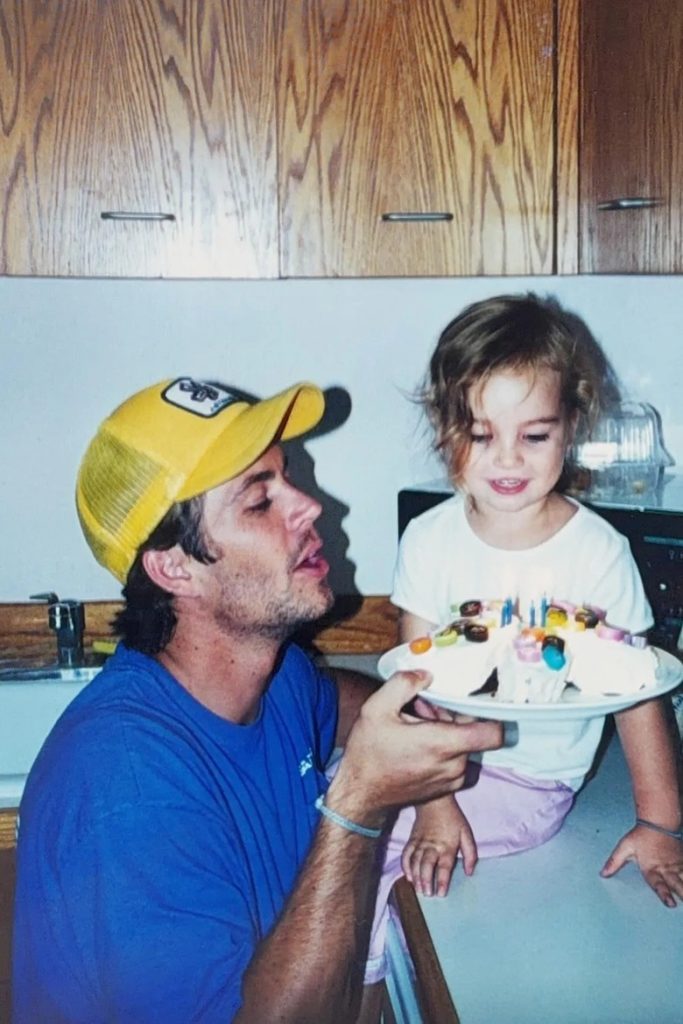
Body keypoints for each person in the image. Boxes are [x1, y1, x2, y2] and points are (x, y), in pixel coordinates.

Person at [12, 376, 504, 1024]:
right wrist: (357, 805)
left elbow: (333, 699)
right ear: (175, 568)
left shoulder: (273, 677)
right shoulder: (125, 792)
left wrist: (408, 713)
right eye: (259, 500)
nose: (310, 506)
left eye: (287, 477)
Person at [388, 293, 683, 907]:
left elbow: (639, 696)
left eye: (535, 435)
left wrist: (660, 825)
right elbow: (413, 692)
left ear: (570, 427)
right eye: (481, 435)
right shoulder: (427, 540)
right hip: (433, 767)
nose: (508, 458)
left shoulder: (598, 554)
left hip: (527, 779)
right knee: (320, 812)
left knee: (369, 861)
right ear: (445, 431)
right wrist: (434, 803)